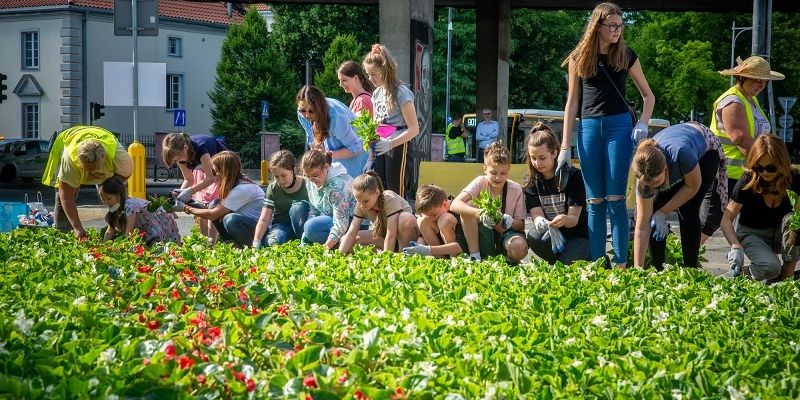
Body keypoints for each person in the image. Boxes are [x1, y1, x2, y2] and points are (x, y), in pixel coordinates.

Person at [558, 2, 655, 268]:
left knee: (615, 199)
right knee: (594, 200)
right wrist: (565, 146)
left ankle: (622, 264)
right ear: (597, 26)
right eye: (611, 25)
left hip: (619, 127)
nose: (616, 30)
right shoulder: (579, 57)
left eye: (620, 25)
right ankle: (599, 264)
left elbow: (649, 96)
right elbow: (572, 103)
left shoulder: (625, 55)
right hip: (589, 127)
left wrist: (643, 124)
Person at [705, 55, 785, 242]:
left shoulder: (749, 98)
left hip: (746, 171)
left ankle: (746, 260)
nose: (761, 85)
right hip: (727, 173)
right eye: (756, 80)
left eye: (764, 81)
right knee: (712, 219)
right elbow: (740, 138)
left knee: (739, 220)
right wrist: (770, 164)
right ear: (742, 77)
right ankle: (686, 259)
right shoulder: (733, 101)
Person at [631, 122, 727, 270]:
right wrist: (637, 269)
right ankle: (658, 270)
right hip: (676, 149)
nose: (653, 186)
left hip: (705, 152)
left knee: (688, 209)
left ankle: (690, 270)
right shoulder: (644, 177)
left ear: (665, 169)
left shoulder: (681, 154)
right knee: (652, 213)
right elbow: (642, 227)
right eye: (649, 184)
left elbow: (692, 186)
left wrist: (663, 212)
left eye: (656, 181)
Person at [721, 135, 799, 283]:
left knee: (792, 219)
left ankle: (786, 280)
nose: (764, 173)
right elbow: (726, 219)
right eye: (759, 167)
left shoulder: (795, 179)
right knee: (770, 268)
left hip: (780, 236)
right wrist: (735, 246)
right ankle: (746, 273)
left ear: (782, 164)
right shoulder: (749, 179)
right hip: (753, 234)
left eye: (770, 168)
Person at [42, 125, 134, 239]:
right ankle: (64, 237)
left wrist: (109, 189)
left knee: (112, 194)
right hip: (69, 140)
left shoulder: (118, 156)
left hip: (106, 163)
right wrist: (77, 228)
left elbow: (127, 174)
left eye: (94, 170)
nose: (91, 175)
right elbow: (66, 197)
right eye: (87, 170)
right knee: (61, 202)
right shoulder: (70, 161)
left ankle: (117, 229)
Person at [449, 142, 528, 263]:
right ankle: (475, 257)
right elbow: (455, 204)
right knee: (468, 205)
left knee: (519, 246)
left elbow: (521, 226)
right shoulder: (480, 182)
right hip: (484, 234)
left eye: (503, 173)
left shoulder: (516, 189)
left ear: (509, 169)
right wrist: (479, 213)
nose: (498, 177)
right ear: (485, 169)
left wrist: (509, 221)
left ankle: (511, 261)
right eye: (493, 173)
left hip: (506, 234)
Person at [524, 123, 590, 265]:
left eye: (542, 157)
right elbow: (536, 214)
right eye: (533, 158)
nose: (537, 163)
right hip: (553, 234)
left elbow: (573, 219)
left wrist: (564, 219)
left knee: (565, 267)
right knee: (533, 236)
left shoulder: (574, 176)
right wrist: (540, 221)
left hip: (578, 235)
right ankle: (562, 260)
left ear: (554, 153)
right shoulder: (530, 180)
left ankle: (583, 257)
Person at [363, 43, 420, 198]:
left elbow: (414, 129)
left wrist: (391, 144)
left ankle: (401, 220)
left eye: (373, 74)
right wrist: (371, 157)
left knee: (396, 192)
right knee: (380, 191)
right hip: (380, 145)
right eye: (368, 74)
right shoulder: (376, 94)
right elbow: (375, 128)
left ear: (384, 70)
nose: (370, 78)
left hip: (398, 145)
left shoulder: (401, 92)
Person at [182, 151, 264, 248]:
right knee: (214, 204)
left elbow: (213, 214)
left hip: (260, 232)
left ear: (225, 172)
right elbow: (213, 211)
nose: (214, 176)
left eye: (215, 172)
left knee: (231, 220)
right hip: (248, 226)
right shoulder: (236, 183)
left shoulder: (242, 189)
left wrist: (185, 208)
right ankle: (220, 244)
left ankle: (248, 248)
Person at [162, 132, 227, 238]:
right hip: (204, 172)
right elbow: (189, 179)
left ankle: (215, 242)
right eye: (175, 160)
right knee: (202, 210)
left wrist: (190, 191)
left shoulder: (201, 148)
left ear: (185, 147)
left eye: (178, 158)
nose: (177, 161)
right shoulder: (180, 155)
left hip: (222, 170)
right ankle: (209, 240)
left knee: (213, 206)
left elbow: (211, 178)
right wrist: (179, 194)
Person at [297, 85, 368, 178]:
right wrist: (317, 150)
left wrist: (326, 155)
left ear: (319, 107)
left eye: (311, 111)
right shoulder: (301, 114)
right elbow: (312, 139)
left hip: (355, 157)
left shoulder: (336, 116)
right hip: (332, 154)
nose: (306, 115)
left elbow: (356, 148)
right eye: (303, 110)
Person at [338, 171, 418, 254]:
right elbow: (351, 234)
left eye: (365, 201)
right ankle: (389, 253)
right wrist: (339, 256)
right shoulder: (361, 204)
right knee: (344, 240)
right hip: (385, 238)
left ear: (377, 192)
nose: (362, 205)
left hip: (404, 237)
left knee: (405, 218)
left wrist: (386, 259)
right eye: (358, 201)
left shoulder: (389, 199)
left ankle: (404, 255)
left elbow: (391, 235)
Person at [300, 149, 357, 250]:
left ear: (326, 167)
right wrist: (305, 237)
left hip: (352, 221)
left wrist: (326, 248)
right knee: (305, 222)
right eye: (308, 176)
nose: (312, 180)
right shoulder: (311, 181)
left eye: (315, 175)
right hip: (330, 217)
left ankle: (343, 245)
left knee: (311, 227)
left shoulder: (337, 187)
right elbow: (314, 210)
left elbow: (341, 223)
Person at [97, 176, 180, 245]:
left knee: (166, 244)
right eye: (103, 199)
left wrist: (121, 247)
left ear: (119, 195)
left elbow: (129, 232)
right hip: (146, 226)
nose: (106, 202)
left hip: (159, 220)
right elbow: (110, 230)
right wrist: (104, 246)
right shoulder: (113, 209)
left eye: (109, 198)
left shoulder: (130, 206)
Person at [252, 150, 310, 248]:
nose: (280, 180)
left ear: (293, 170)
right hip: (283, 225)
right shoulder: (273, 188)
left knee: (297, 208)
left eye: (284, 175)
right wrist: (256, 241)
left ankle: (304, 242)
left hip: (303, 224)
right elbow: (264, 219)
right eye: (276, 177)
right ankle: (291, 240)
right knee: (272, 243)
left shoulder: (308, 184)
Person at [403, 184, 469, 258]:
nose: (431, 220)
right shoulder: (434, 212)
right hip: (439, 251)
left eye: (434, 215)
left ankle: (454, 260)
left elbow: (461, 246)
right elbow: (421, 238)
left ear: (444, 204)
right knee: (422, 220)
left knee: (444, 219)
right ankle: (440, 260)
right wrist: (419, 247)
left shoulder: (457, 211)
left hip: (460, 252)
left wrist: (428, 250)